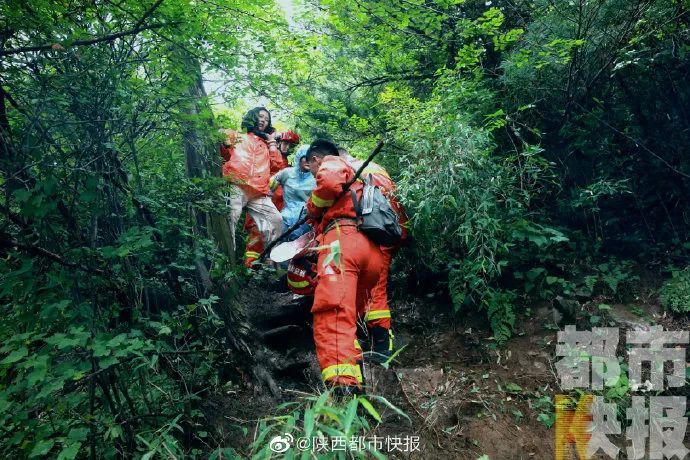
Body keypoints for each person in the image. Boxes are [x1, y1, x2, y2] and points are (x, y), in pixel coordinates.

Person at [304, 139, 385, 396]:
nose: (313, 175)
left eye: (311, 169)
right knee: (348, 318)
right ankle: (356, 379)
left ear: (316, 159)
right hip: (370, 250)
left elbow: (327, 183)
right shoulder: (360, 176)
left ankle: (343, 394)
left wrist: (313, 206)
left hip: (343, 244)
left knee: (334, 313)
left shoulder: (331, 162)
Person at [337, 146, 408, 363]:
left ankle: (381, 346)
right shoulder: (377, 168)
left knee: (371, 289)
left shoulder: (347, 170)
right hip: (392, 229)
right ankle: (376, 340)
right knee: (373, 285)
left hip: (374, 232)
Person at [219, 107, 283, 259]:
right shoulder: (238, 135)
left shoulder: (267, 145)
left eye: (266, 119)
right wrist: (222, 134)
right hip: (236, 184)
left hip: (258, 191)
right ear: (252, 117)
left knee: (276, 220)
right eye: (260, 116)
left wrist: (272, 143)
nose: (263, 120)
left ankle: (269, 261)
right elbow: (224, 152)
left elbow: (276, 166)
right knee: (230, 220)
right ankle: (227, 261)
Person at [242, 129, 301, 267]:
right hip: (262, 208)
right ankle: (250, 270)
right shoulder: (267, 158)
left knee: (275, 244)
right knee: (255, 242)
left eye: (290, 145)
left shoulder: (290, 167)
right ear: (278, 142)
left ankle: (269, 273)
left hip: (279, 213)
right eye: (285, 143)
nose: (287, 147)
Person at [270, 145, 316, 241]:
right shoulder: (287, 173)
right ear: (299, 158)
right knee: (277, 248)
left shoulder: (317, 176)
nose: (308, 161)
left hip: (306, 222)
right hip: (285, 219)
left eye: (311, 159)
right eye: (305, 158)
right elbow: (268, 188)